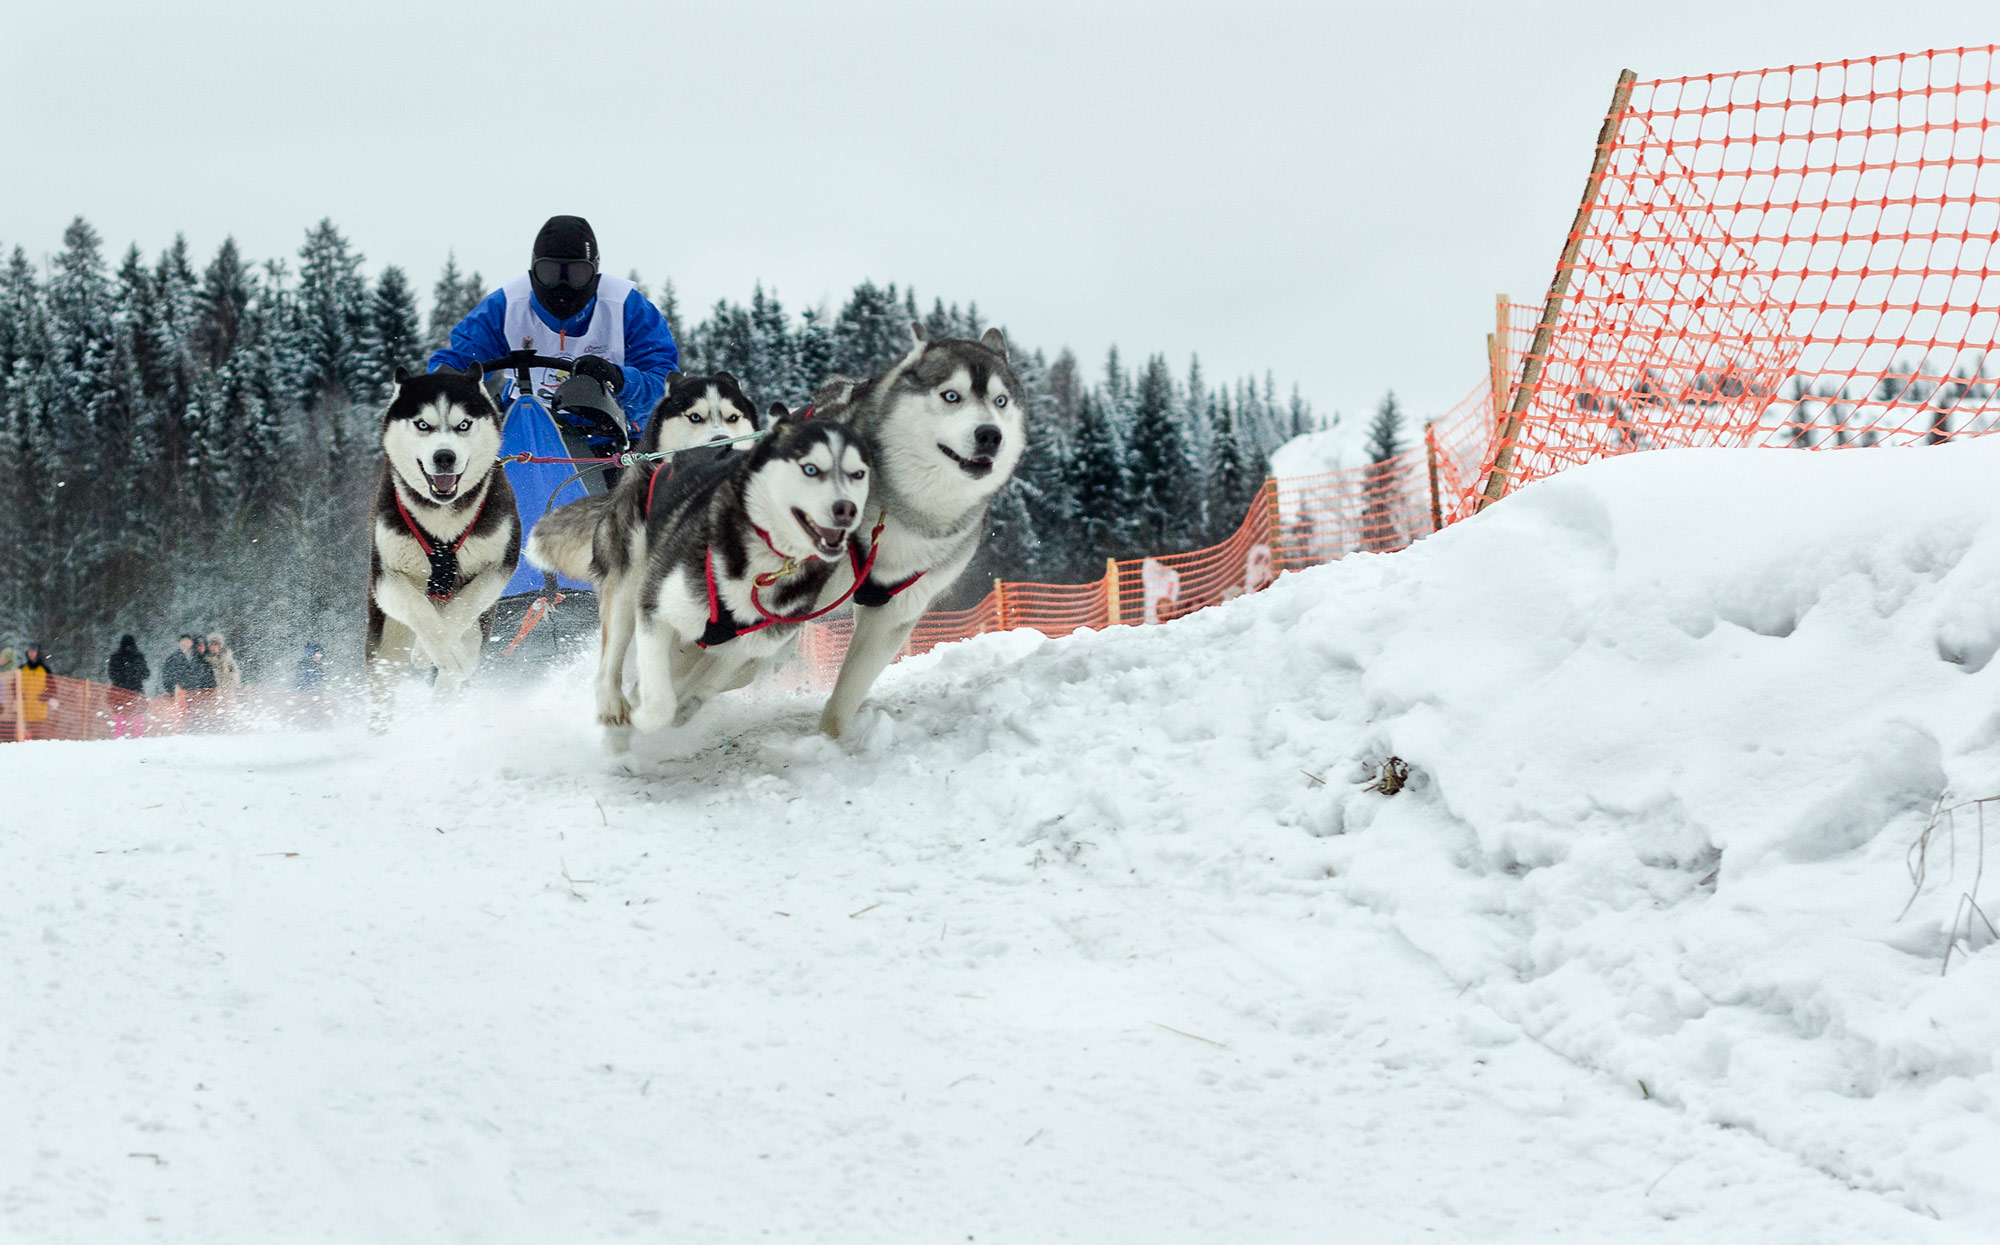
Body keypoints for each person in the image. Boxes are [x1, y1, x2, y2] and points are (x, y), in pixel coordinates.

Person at [427, 215, 679, 446]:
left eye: (577, 274)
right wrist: (442, 383)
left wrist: (620, 379)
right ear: (533, 270)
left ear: (595, 272)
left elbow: (662, 382)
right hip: (525, 438)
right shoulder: (505, 307)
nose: (562, 287)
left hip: (613, 440)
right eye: (549, 273)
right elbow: (460, 360)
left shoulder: (628, 308)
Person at [106, 635, 150, 738]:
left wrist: (124, 677)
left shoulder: (116, 657)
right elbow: (146, 674)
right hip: (136, 691)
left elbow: (112, 674)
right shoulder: (138, 657)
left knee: (121, 718)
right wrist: (134, 675)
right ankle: (138, 738)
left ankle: (119, 738)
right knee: (135, 718)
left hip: (119, 692)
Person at [16, 643, 52, 740]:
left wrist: (45, 696)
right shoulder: (21, 669)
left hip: (39, 709)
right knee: (26, 736)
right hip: (25, 709)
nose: (31, 654)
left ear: (38, 653)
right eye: (29, 652)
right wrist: (19, 695)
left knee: (38, 736)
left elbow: (52, 687)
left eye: (33, 651)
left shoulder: (45, 669)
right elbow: (13, 685)